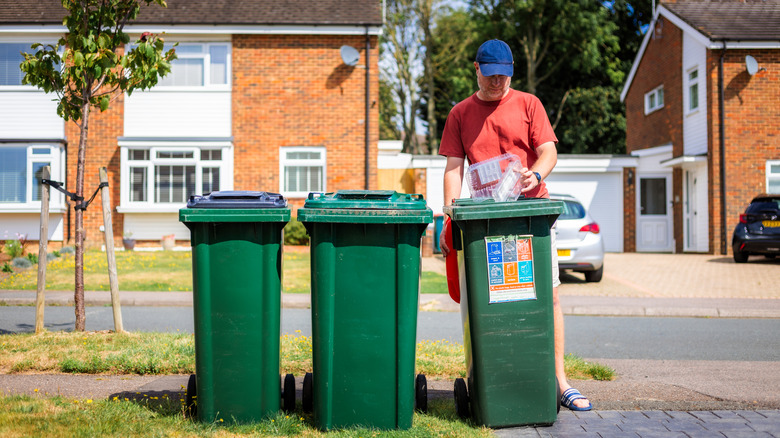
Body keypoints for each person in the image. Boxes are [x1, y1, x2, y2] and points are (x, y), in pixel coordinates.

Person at [438, 39, 592, 411]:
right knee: (493, 301)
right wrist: (449, 210)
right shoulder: (460, 113)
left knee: (547, 295)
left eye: (504, 75)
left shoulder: (528, 104)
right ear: (476, 69)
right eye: (491, 75)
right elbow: (454, 168)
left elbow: (549, 151)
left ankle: (559, 382)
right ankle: (493, 378)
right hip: (487, 219)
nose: (498, 82)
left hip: (531, 214)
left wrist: (536, 174)